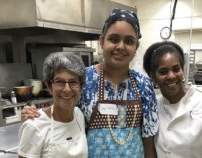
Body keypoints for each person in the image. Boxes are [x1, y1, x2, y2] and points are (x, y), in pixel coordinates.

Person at [21, 8, 159, 158]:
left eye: (129, 41)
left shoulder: (144, 84)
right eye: (114, 39)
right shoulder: (83, 79)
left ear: (136, 46)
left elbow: (148, 140)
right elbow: (64, 109)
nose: (120, 46)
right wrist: (37, 115)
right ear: (101, 41)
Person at [143, 41, 202, 158]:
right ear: (153, 77)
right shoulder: (152, 107)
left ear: (183, 70)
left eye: (176, 69)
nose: (171, 76)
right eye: (163, 71)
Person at [18, 52, 88, 158]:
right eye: (59, 82)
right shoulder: (34, 126)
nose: (67, 89)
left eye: (73, 82)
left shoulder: (79, 115)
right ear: (49, 86)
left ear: (81, 86)